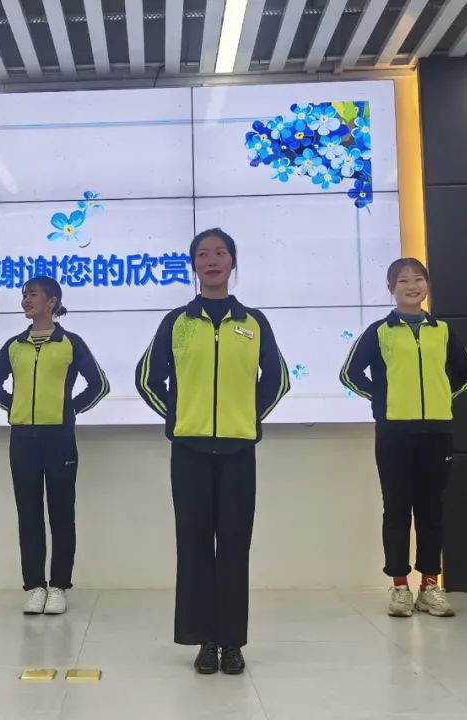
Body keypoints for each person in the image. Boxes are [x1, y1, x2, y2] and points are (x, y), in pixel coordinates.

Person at [135, 228, 289, 676]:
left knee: (235, 547)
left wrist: (247, 419)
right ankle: (204, 641)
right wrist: (179, 419)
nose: (212, 260)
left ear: (232, 261)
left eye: (220, 252)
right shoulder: (177, 322)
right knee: (195, 547)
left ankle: (232, 642)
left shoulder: (253, 321)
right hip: (190, 452)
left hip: (239, 452)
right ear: (193, 265)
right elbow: (148, 378)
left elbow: (277, 379)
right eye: (202, 254)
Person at [340, 257, 467, 618]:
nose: (412, 286)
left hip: (437, 432)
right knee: (397, 508)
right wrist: (384, 401)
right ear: (391, 288)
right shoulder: (379, 332)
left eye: (418, 279)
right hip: (394, 434)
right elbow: (350, 374)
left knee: (431, 509)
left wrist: (441, 398)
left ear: (427, 285)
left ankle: (430, 586)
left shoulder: (442, 331)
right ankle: (400, 587)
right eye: (403, 280)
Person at [0, 276, 109, 615]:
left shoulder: (71, 343)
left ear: (52, 301)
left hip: (59, 440)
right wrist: (16, 407)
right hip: (22, 440)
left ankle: (59, 586)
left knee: (62, 513)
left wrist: (69, 410)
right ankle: (35, 586)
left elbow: (98, 384)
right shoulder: (15, 345)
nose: (26, 299)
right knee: (29, 513)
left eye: (33, 294)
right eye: (24, 294)